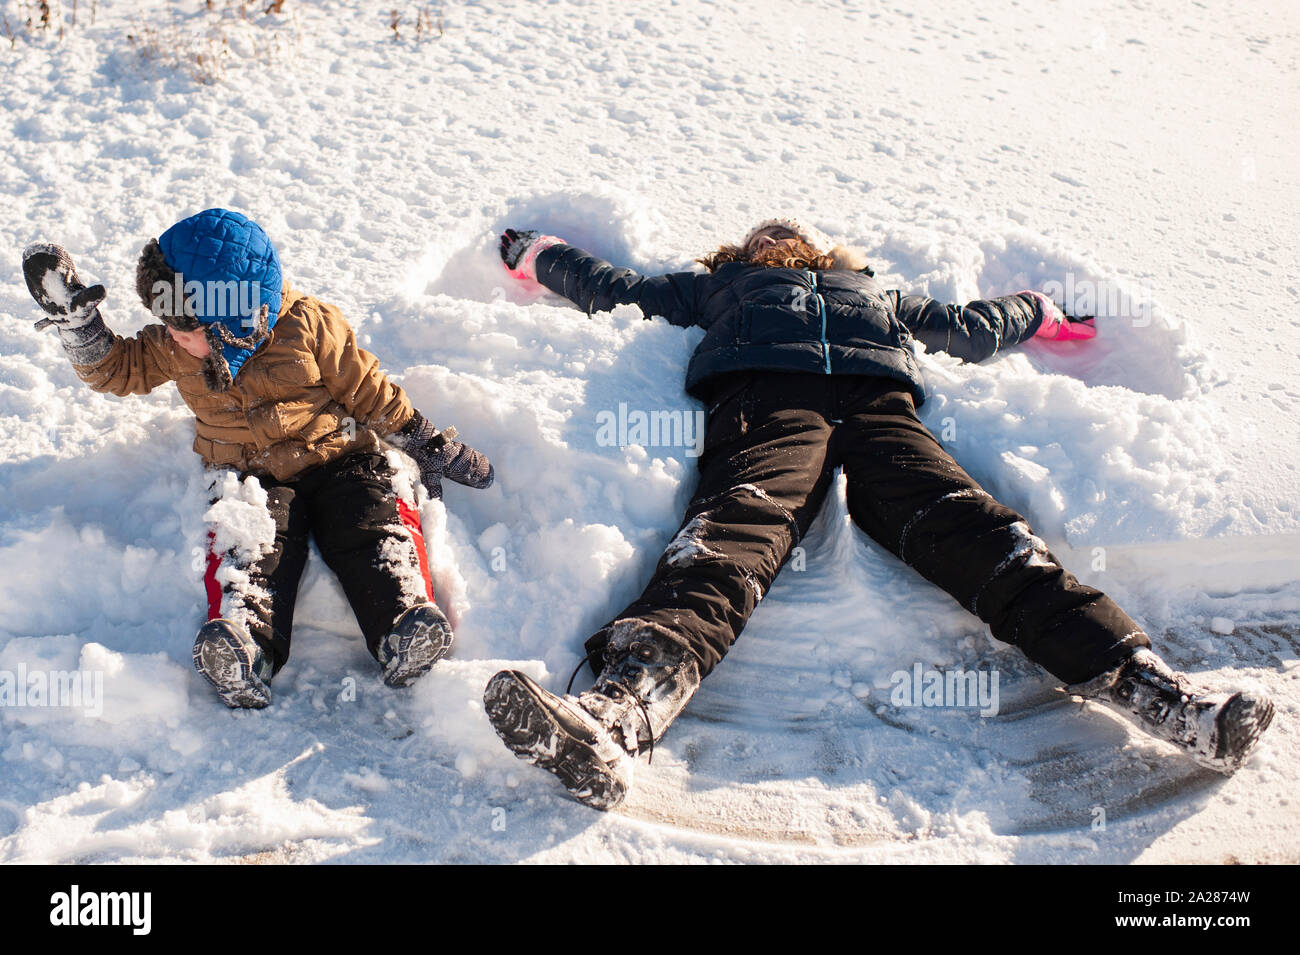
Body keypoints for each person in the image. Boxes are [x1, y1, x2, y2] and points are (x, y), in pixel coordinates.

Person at [483, 218, 1274, 810]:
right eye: (765, 231)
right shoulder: (718, 288)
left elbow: (969, 329)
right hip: (769, 399)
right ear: (743, 253)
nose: (780, 232)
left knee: (986, 537)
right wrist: (537, 254)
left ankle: (1164, 698)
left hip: (881, 408)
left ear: (827, 252)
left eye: (794, 229)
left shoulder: (877, 294)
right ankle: (618, 714)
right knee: (732, 532)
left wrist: (1037, 309)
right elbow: (613, 286)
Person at [21, 208, 494, 708]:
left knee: (370, 525)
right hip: (251, 478)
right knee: (251, 549)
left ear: (232, 319)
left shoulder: (308, 325)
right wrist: (80, 326)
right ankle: (245, 647)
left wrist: (422, 439)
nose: (171, 333)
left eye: (184, 325)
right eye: (168, 321)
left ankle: (403, 621)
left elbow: (366, 391)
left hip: (339, 457)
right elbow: (118, 370)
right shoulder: (176, 346)